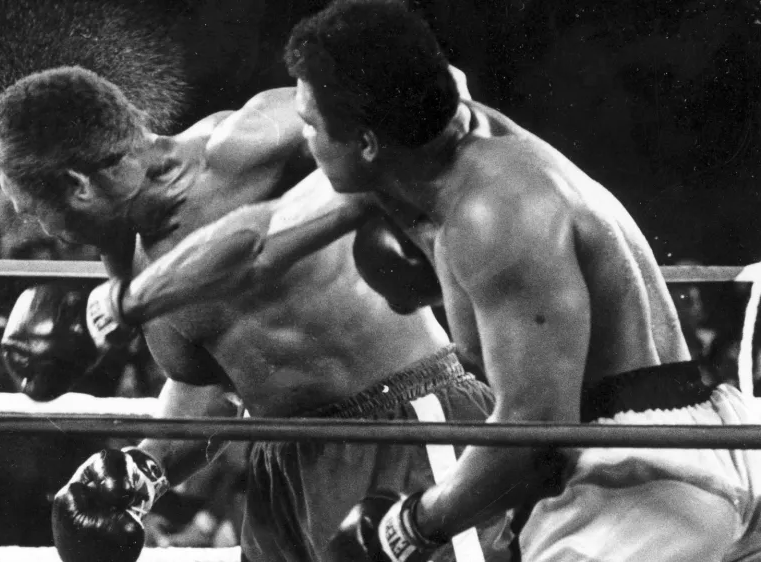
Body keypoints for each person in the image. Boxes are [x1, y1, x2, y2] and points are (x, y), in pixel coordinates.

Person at [87, 1, 761, 560]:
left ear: (365, 141)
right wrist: (127, 300)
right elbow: (258, 239)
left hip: (641, 464)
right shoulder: (412, 156)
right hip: (615, 452)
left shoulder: (494, 214)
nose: (301, 138)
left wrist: (407, 526)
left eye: (313, 123)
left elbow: (532, 432)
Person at [0, 60, 511, 560]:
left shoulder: (240, 147)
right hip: (281, 466)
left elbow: (437, 90)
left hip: (401, 426)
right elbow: (213, 385)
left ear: (78, 186)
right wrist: (145, 467)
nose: (39, 228)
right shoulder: (128, 263)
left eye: (33, 209)